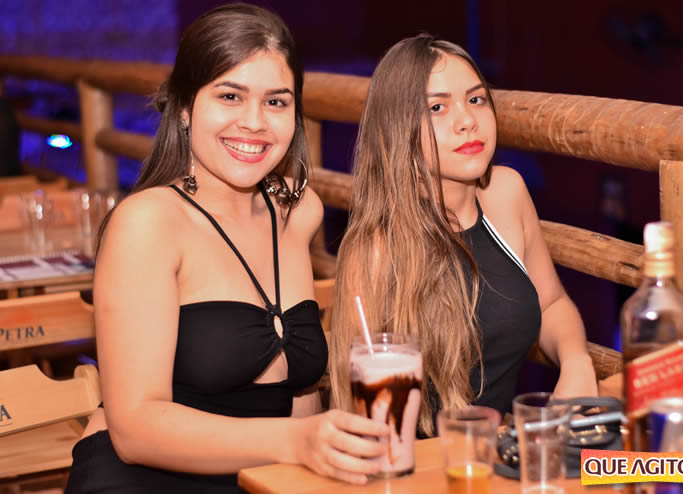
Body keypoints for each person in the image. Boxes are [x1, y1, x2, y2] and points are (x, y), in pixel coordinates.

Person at [64, 4, 388, 493]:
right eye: (230, 96)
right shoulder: (148, 222)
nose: (254, 122)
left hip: (261, 474)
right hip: (144, 479)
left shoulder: (298, 211)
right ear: (185, 107)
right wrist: (298, 442)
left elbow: (297, 394)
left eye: (276, 102)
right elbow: (133, 431)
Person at [329, 35, 598, 437]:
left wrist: (576, 361)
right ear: (397, 128)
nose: (467, 120)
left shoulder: (506, 192)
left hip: (497, 454)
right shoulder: (376, 246)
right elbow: (356, 409)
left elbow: (552, 303)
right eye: (437, 107)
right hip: (415, 461)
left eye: (476, 99)